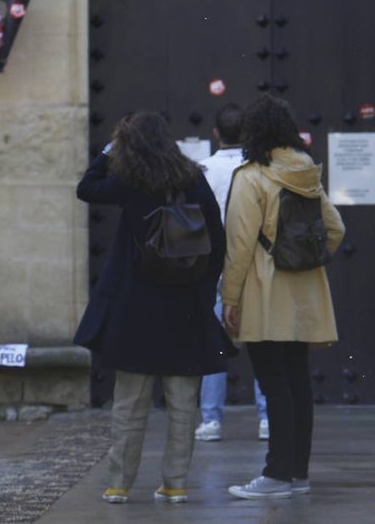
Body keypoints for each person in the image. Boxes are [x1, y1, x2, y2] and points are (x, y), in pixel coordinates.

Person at [73, 111, 236, 505]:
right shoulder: (194, 178)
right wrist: (200, 287)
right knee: (183, 404)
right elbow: (216, 239)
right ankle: (176, 483)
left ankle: (119, 484)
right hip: (185, 307)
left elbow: (86, 188)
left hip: (136, 307)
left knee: (129, 403)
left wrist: (110, 151)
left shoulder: (129, 181)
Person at [221, 94, 346, 500]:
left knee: (274, 384)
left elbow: (240, 246)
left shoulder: (251, 177)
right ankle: (297, 473)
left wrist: (231, 299)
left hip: (264, 291)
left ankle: (276, 474)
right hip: (303, 290)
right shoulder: (306, 172)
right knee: (296, 382)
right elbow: (336, 229)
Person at [194, 103, 269, 442]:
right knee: (260, 341)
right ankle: (267, 415)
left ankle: (211, 420)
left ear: (216, 133)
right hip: (252, 265)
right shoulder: (258, 170)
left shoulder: (202, 171)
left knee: (212, 345)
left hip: (212, 267)